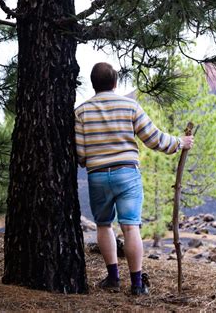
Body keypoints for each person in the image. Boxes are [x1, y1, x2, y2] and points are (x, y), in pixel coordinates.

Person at [74, 62, 194, 295]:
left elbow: (80, 154)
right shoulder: (130, 106)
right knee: (130, 228)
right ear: (116, 82)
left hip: (97, 176)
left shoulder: (81, 111)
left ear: (93, 84)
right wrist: (180, 142)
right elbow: (154, 138)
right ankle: (137, 285)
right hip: (127, 174)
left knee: (103, 225)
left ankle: (113, 277)